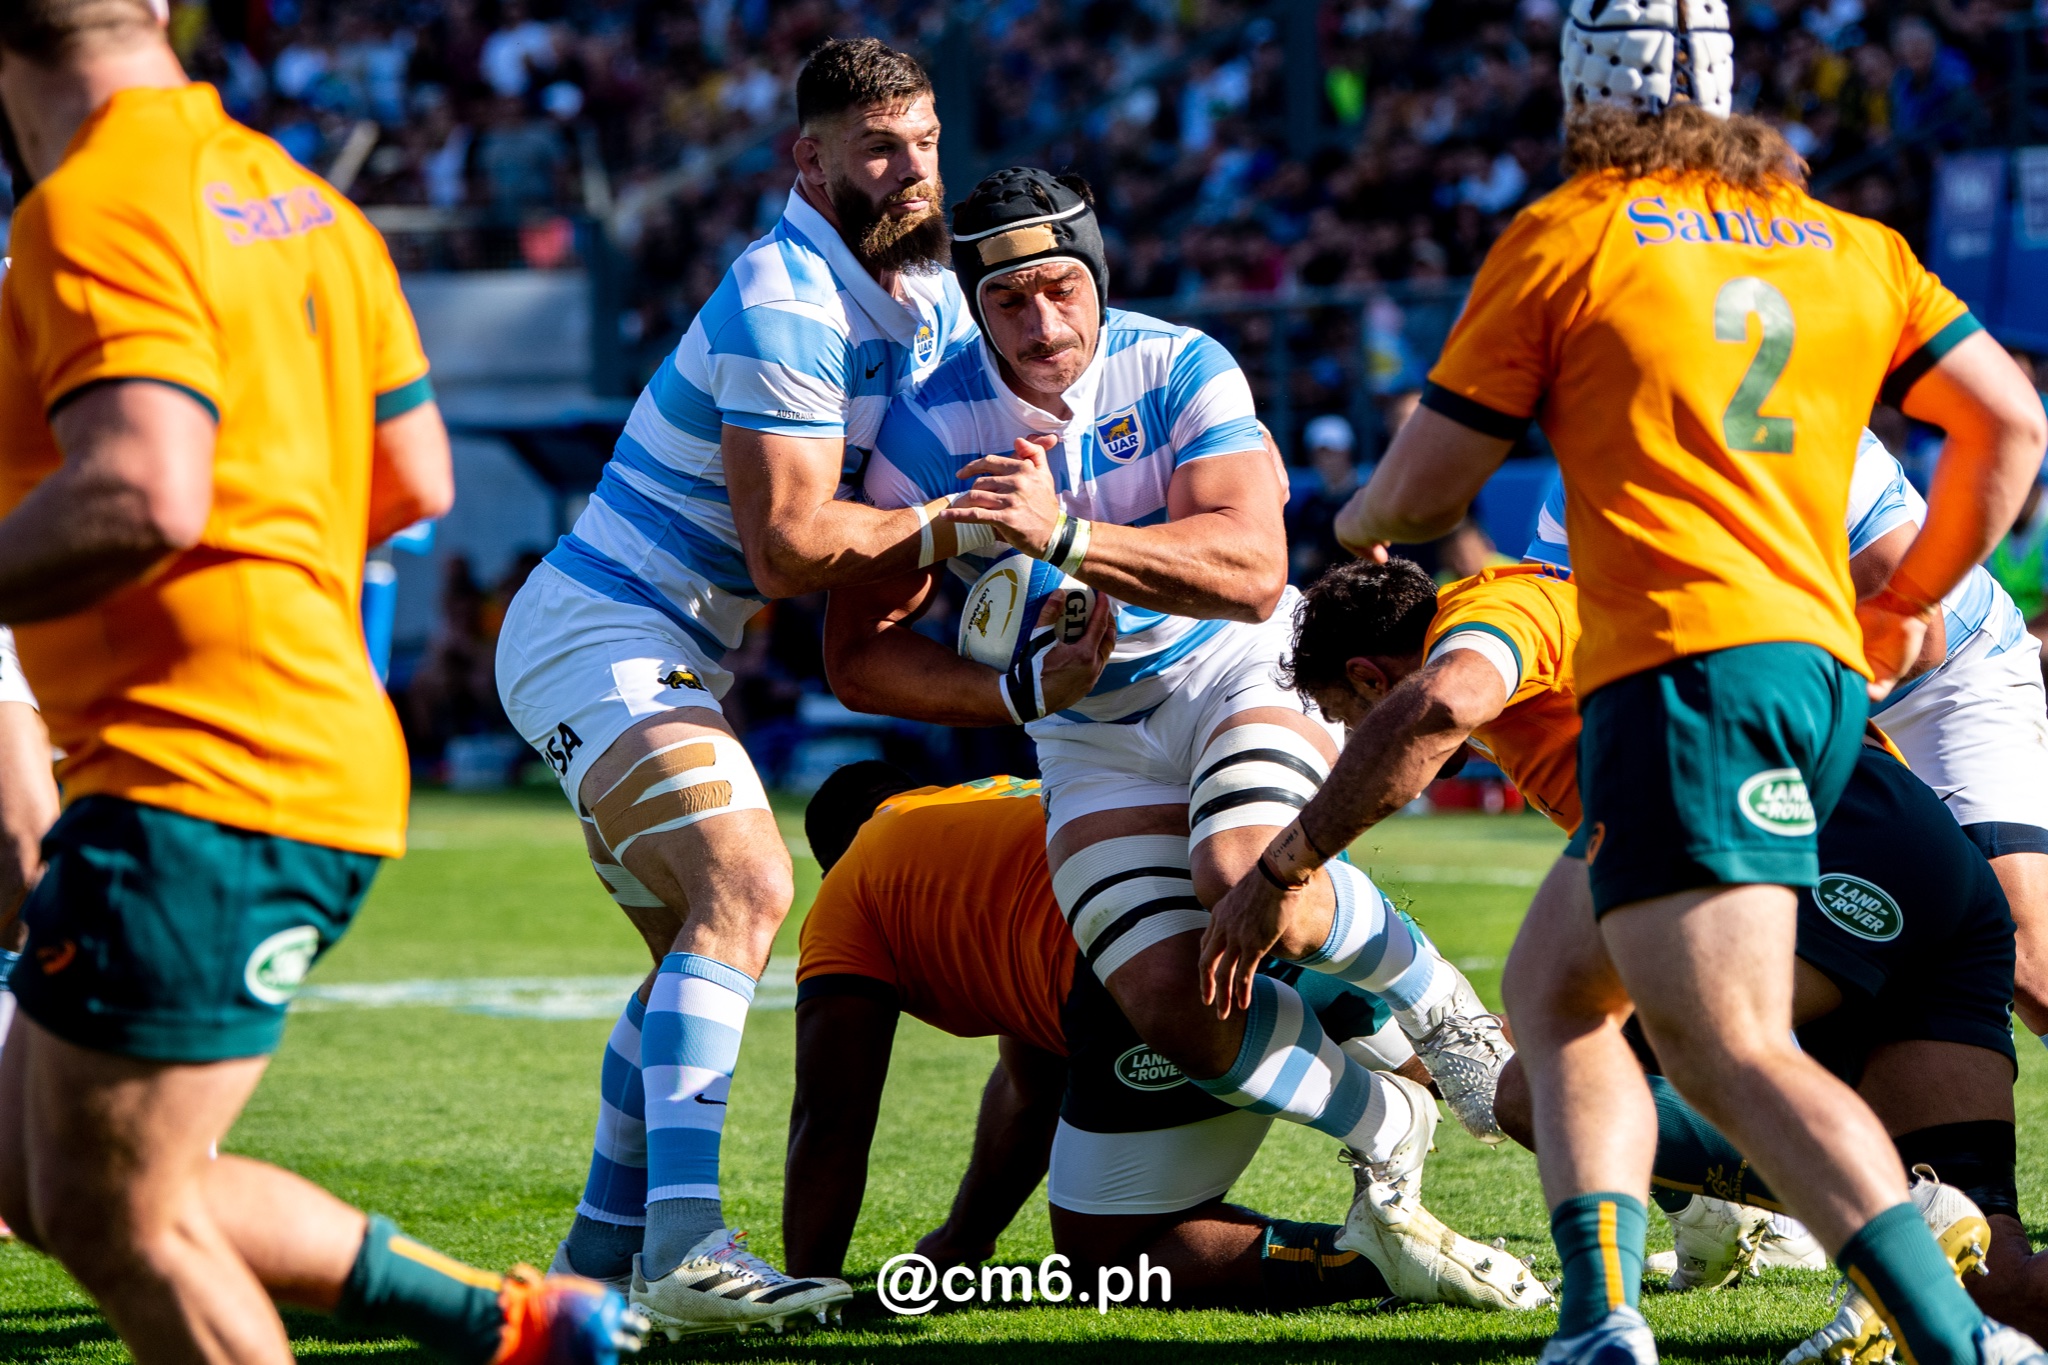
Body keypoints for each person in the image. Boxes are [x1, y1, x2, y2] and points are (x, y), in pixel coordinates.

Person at [1271, 4, 2048, 1354]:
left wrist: (1357, 523)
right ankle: (1604, 1312)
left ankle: (1945, 1331)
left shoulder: (1573, 235)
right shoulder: (1854, 246)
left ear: (1583, 102)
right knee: (1557, 994)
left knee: (1727, 1045)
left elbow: (1428, 489)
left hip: (1695, 678)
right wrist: (1912, 600)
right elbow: (2013, 420)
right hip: (1829, 693)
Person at [0, 2, 643, 1362]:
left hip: (205, 768)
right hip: (291, 739)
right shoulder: (305, 201)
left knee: (124, 1215)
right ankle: (508, 1325)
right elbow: (415, 479)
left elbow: (144, 487)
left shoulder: (94, 202)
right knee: (48, 1178)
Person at [824, 166, 1511, 1278]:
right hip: (1085, 732)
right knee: (1169, 1004)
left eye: (1060, 288)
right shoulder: (925, 426)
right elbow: (857, 657)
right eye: (1008, 301)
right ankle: (1385, 1123)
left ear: (1096, 274)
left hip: (1238, 669)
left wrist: (1069, 542)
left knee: (1242, 869)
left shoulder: (1178, 360)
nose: (1042, 323)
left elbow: (1250, 573)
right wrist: (1013, 695)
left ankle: (1438, 1005)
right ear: (974, 303)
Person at [493, 37, 1070, 1336]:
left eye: (923, 140)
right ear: (806, 160)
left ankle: (593, 1268)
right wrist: (957, 524)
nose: (910, 167)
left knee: (682, 964)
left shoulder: (921, 302)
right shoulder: (785, 293)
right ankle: (690, 1250)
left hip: (673, 645)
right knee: (747, 885)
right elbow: (793, 546)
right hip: (600, 624)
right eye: (877, 146)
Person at [1245, 558, 2042, 1355]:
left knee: (1542, 1077)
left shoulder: (1489, 607)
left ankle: (1626, 1318)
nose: (1353, 738)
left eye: (1346, 713)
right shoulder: (1542, 637)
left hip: (1827, 828)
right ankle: (1903, 1221)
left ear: (1367, 674)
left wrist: (1290, 860)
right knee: (1992, 1282)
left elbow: (1448, 697)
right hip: (1919, 862)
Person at [782, 762, 1547, 1312]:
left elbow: (832, 1116)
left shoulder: (855, 884)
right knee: (1487, 1072)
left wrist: (806, 1284)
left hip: (1150, 972)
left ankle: (1357, 1261)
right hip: (1264, 893)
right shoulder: (978, 807)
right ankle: (1660, 1141)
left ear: (832, 856)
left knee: (1103, 1259)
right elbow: (1031, 1082)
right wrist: (962, 1241)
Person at [1528, 432, 2048, 1039]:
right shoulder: (1587, 469)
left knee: (2029, 962)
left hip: (1942, 683)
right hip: (1789, 698)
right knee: (1786, 948)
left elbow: (1917, 640)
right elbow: (1568, 627)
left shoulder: (1810, 419)